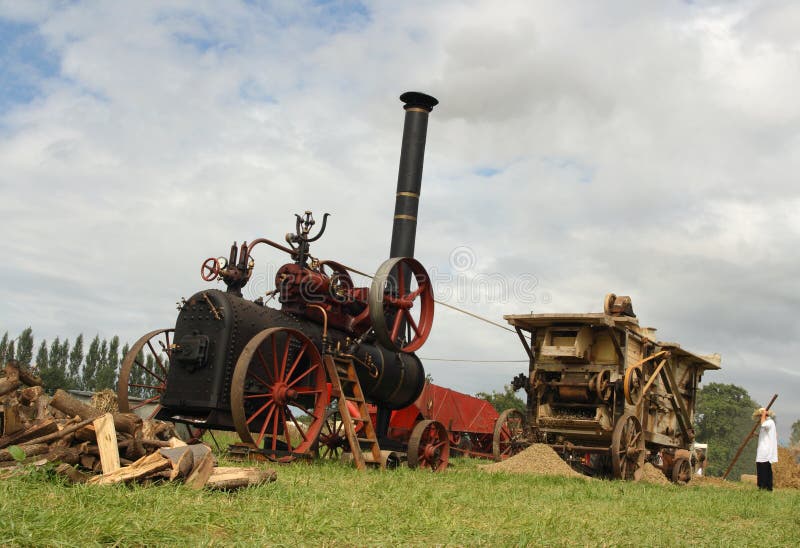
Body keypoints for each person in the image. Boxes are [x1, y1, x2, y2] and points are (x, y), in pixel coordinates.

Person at [754, 407, 778, 491]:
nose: (759, 418)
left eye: (760, 416)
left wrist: (763, 415)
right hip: (762, 449)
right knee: (761, 468)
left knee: (764, 469)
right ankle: (762, 486)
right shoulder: (766, 423)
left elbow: (763, 424)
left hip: (766, 450)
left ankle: (765, 487)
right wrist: (757, 435)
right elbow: (766, 435)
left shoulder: (769, 422)